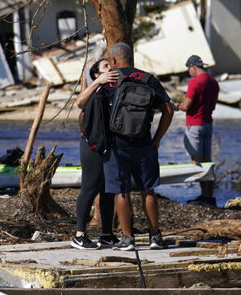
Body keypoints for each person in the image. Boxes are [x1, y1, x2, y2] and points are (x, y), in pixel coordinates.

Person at [103, 42, 174, 251]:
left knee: (121, 192)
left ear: (114, 60)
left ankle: (127, 239)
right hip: (145, 143)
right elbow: (168, 110)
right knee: (147, 190)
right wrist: (157, 139)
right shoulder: (148, 79)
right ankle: (155, 237)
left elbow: (91, 109)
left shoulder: (111, 80)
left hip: (116, 145)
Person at [71, 58, 118, 249]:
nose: (110, 68)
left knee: (107, 192)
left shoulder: (111, 91)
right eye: (106, 66)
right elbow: (79, 102)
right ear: (97, 75)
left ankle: (107, 234)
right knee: (89, 189)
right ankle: (79, 235)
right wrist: (95, 81)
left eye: (111, 65)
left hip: (108, 147)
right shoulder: (95, 90)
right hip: (91, 147)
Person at [179, 54, 219, 207]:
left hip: (194, 125)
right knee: (207, 162)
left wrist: (176, 105)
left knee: (197, 162)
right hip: (208, 124)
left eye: (188, 69)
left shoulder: (195, 82)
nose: (188, 72)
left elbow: (186, 106)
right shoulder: (213, 82)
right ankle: (209, 196)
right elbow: (213, 106)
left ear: (193, 67)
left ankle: (204, 197)